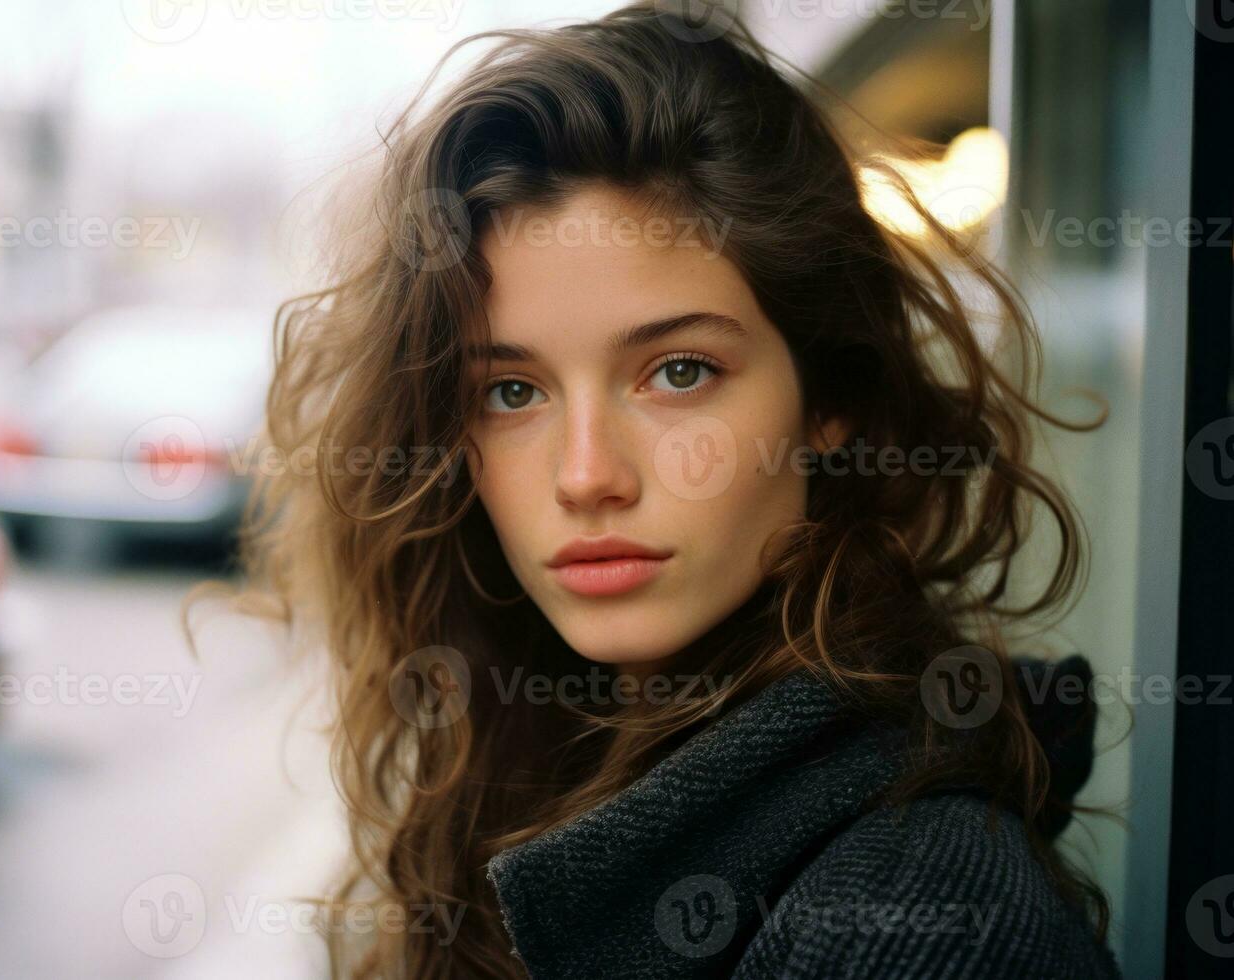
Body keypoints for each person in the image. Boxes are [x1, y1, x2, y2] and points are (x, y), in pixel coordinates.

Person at [236, 3, 1120, 976]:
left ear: (833, 398)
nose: (586, 476)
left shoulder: (918, 917)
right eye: (511, 391)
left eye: (680, 372)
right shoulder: (529, 759)